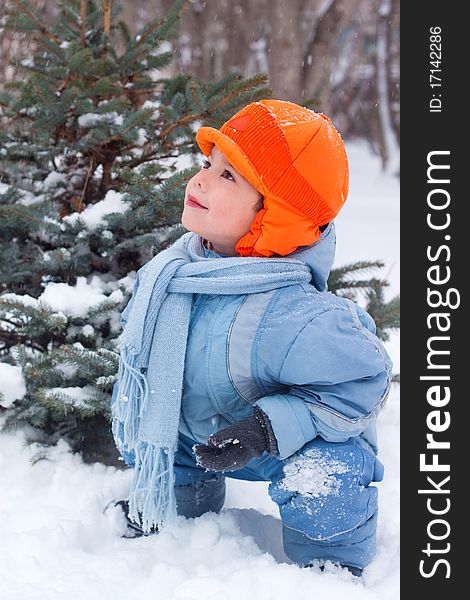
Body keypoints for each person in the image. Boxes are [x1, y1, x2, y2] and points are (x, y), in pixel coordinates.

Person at [109, 99, 392, 577]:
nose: (198, 181)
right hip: (197, 436)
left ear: (274, 215)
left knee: (327, 475)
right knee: (155, 439)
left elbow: (365, 381)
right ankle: (176, 512)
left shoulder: (298, 315)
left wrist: (266, 429)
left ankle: (330, 569)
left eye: (227, 177)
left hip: (284, 445)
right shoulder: (173, 276)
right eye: (207, 165)